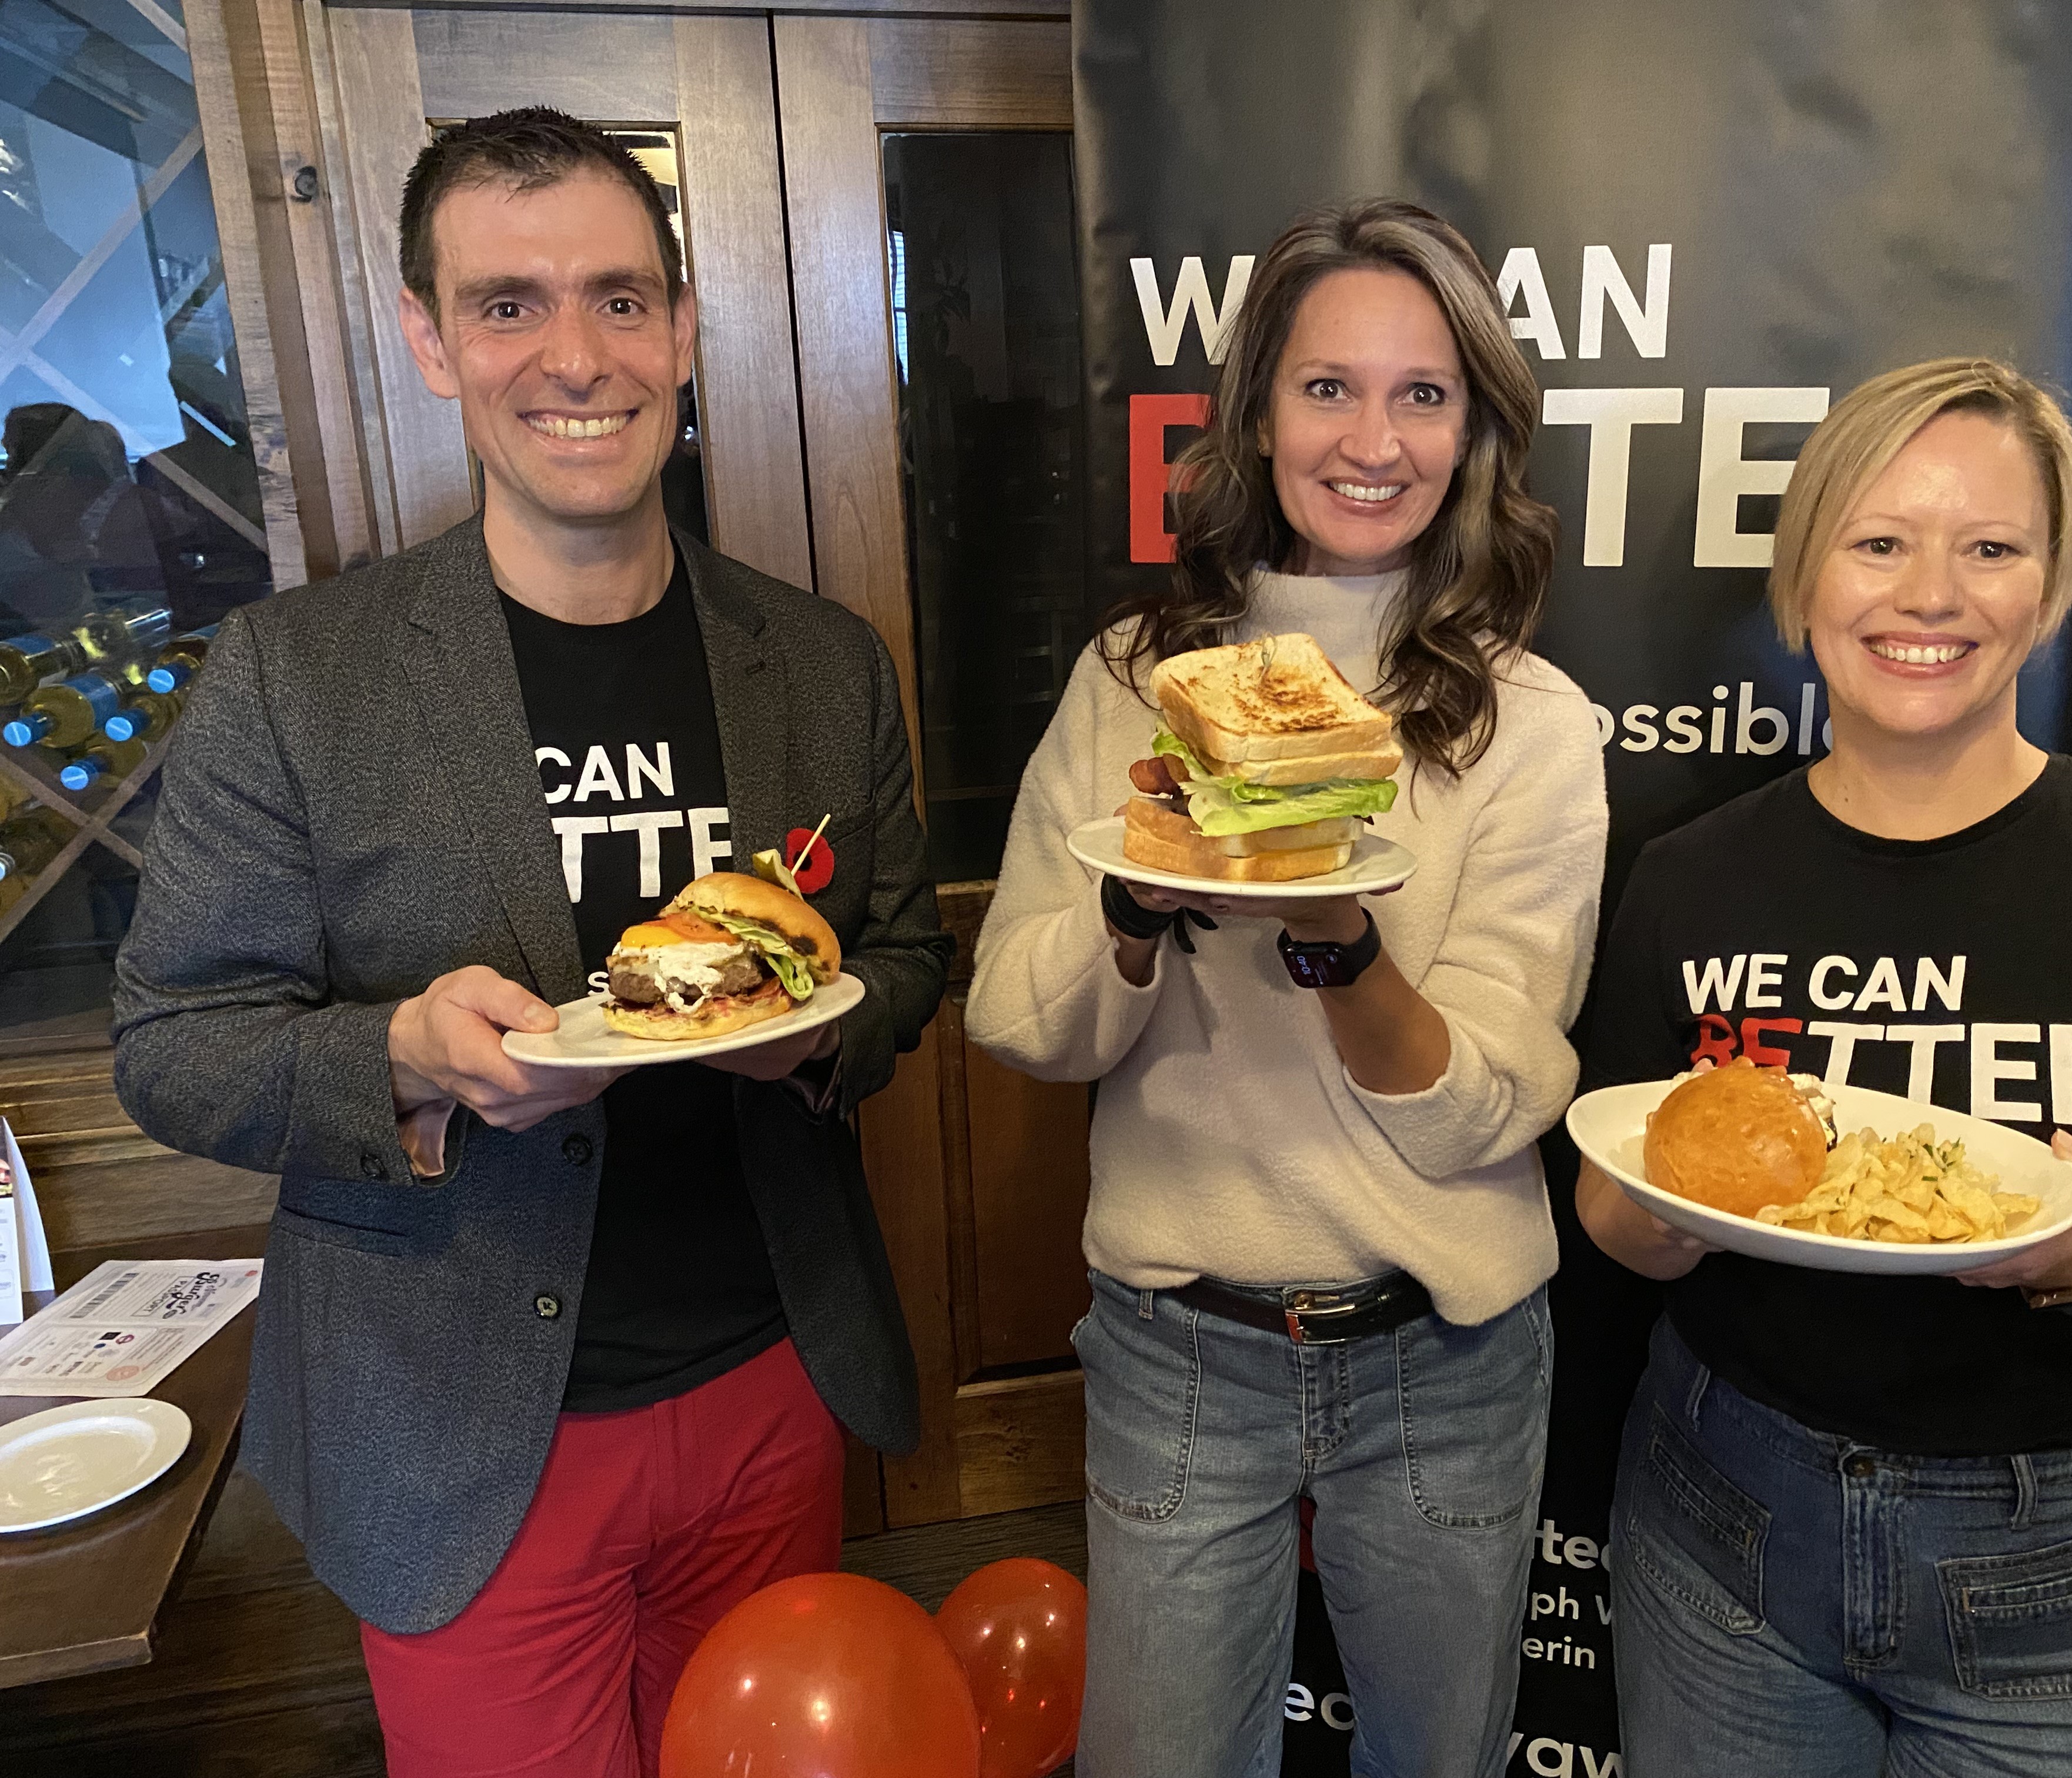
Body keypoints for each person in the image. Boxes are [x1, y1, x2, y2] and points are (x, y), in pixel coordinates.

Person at [111, 109, 952, 1778]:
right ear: (429, 338)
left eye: (622, 299)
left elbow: (907, 951)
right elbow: (173, 1045)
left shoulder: (824, 662)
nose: (578, 356)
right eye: (509, 304)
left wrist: (822, 1039)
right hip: (460, 1429)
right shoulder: (298, 678)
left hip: (769, 1381)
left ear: (685, 327)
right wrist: (403, 1063)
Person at [1575, 357, 2072, 1777]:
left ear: (2051, 586)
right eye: (1879, 542)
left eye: (1990, 547)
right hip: (1720, 1524)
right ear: (1806, 572)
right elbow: (1619, 1207)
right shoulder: (1691, 876)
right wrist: (1659, 1217)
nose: (1929, 595)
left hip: (2063, 1563)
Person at [968, 198, 1608, 1777]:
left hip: (1444, 1359)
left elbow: (1501, 1102)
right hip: (1184, 1343)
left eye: (1423, 393)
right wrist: (1131, 905)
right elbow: (1015, 1020)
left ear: (1473, 433)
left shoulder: (1534, 725)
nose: (1372, 438)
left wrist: (1334, 944)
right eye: (1328, 388)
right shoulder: (1135, 685)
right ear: (1256, 416)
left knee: (1437, 1762)